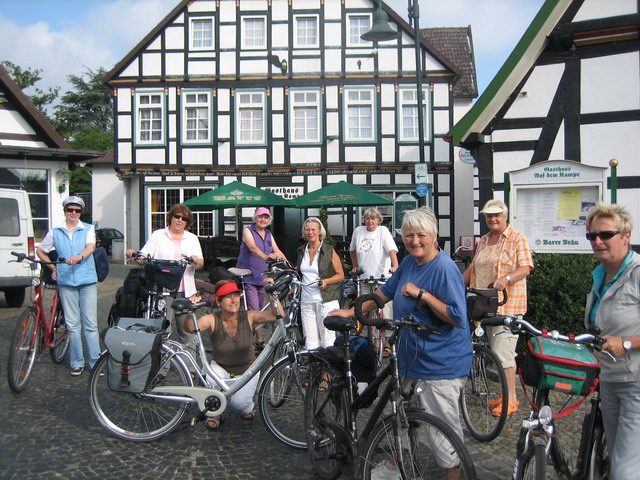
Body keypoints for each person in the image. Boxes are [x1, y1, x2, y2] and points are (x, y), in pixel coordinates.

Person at [332, 208, 472, 458]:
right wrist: (352, 312)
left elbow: (458, 318)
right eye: (408, 235)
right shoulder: (409, 261)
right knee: (402, 420)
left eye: (421, 235)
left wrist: (423, 294)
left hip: (440, 364)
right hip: (410, 359)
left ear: (434, 235)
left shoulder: (444, 268)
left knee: (443, 432)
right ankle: (398, 466)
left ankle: (454, 474)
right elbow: (384, 294)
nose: (414, 241)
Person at [462, 199, 533, 416]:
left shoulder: (517, 239)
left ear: (505, 216)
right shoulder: (484, 240)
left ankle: (511, 399)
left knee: (503, 354)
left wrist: (507, 278)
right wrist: (454, 284)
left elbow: (526, 267)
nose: (493, 219)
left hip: (507, 306)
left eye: (497, 215)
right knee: (495, 351)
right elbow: (473, 268)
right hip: (484, 305)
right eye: (489, 216)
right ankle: (505, 393)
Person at [584, 203, 640, 479]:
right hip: (610, 378)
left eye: (606, 235)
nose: (597, 241)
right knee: (618, 452)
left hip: (636, 381)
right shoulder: (600, 274)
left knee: (625, 469)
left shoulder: (637, 273)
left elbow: (622, 337)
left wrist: (626, 343)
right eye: (592, 236)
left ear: (626, 236)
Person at [183, 279, 282, 430]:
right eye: (228, 296)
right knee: (210, 388)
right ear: (219, 301)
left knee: (240, 404)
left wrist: (271, 294)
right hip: (220, 367)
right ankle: (215, 413)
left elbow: (278, 315)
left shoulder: (249, 316)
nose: (234, 300)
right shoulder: (211, 319)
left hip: (247, 370)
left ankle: (248, 406)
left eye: (236, 295)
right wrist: (192, 311)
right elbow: (190, 328)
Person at [126, 204, 204, 354]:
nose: (180, 220)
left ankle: (190, 367)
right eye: (177, 216)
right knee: (162, 330)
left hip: (185, 291)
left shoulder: (192, 238)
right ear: (171, 217)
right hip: (163, 290)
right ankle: (161, 368)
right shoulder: (158, 235)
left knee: (187, 330)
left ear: (188, 222)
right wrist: (135, 255)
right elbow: (145, 255)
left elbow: (201, 263)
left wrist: (195, 260)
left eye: (184, 218)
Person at [36, 196, 100, 376]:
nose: (73, 213)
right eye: (70, 210)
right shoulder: (55, 231)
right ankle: (77, 362)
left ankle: (95, 361)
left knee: (90, 324)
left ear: (81, 212)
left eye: (77, 210)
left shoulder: (87, 228)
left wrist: (79, 257)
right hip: (66, 281)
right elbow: (41, 250)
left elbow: (90, 247)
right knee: (72, 324)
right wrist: (52, 266)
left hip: (86, 280)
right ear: (65, 211)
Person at [235, 206, 289, 350]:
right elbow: (252, 247)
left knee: (260, 306)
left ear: (269, 220)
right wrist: (267, 257)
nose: (263, 220)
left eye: (266, 217)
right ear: (255, 218)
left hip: (262, 276)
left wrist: (290, 267)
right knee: (254, 309)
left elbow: (277, 250)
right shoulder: (248, 231)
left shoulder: (268, 234)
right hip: (248, 274)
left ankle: (251, 335)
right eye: (260, 217)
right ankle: (259, 340)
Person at [349, 207, 399, 356]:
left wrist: (395, 266)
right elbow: (352, 250)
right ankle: (365, 340)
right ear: (364, 220)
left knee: (386, 309)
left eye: (373, 218)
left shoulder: (383, 231)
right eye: (367, 218)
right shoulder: (358, 231)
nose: (370, 221)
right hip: (365, 277)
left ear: (378, 220)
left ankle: (388, 343)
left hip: (382, 278)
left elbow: (391, 250)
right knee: (363, 308)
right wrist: (355, 265)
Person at [296, 217, 344, 350]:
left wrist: (326, 281)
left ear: (319, 232)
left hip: (325, 300)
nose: (310, 232)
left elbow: (340, 275)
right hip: (306, 301)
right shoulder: (301, 250)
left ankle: (328, 370)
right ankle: (316, 369)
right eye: (307, 229)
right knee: (311, 342)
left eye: (313, 229)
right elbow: (300, 273)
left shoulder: (329, 250)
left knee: (327, 340)